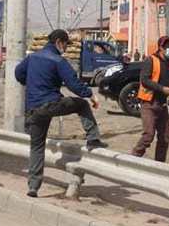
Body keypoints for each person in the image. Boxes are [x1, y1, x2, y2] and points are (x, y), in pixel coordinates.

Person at [15, 29, 108, 198]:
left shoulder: (32, 58)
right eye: (65, 44)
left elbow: (18, 73)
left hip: (33, 109)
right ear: (59, 42)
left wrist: (30, 83)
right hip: (51, 104)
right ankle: (93, 139)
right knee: (81, 105)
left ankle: (33, 186)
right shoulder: (59, 60)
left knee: (37, 147)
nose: (65, 48)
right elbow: (73, 84)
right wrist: (90, 94)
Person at [132, 35, 169, 162]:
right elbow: (144, 80)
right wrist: (161, 89)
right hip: (149, 103)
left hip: (162, 105)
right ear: (160, 48)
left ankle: (159, 164)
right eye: (168, 47)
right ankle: (133, 159)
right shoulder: (151, 60)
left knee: (165, 137)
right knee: (148, 135)